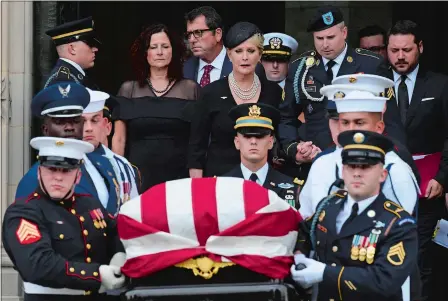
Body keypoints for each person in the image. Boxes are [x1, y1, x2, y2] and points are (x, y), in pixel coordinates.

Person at [291, 130, 418, 301]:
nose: (357, 173)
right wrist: (299, 254)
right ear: (343, 172)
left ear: (383, 174)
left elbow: (385, 280)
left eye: (366, 166)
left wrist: (324, 273)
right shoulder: (329, 205)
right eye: (351, 166)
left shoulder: (398, 223)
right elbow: (304, 231)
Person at [2, 137, 126, 301]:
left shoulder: (89, 204)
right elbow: (37, 265)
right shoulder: (24, 212)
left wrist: (119, 253)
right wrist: (98, 275)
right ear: (39, 173)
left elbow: (117, 230)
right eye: (51, 169)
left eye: (66, 171)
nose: (58, 178)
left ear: (78, 175)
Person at [299, 74, 419, 219]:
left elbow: (402, 228)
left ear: (379, 127)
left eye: (359, 123)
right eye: (344, 122)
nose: (350, 130)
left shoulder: (395, 169)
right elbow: (306, 217)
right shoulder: (322, 163)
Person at [387, 20, 448, 301]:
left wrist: (443, 178)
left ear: (420, 48)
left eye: (406, 50)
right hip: (384, 188)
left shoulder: (440, 84)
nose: (400, 56)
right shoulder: (376, 84)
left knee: (421, 258)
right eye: (394, 50)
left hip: (428, 187)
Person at [279, 5, 389, 158]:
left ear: (344, 33)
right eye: (319, 38)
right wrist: (295, 148)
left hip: (360, 156)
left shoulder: (371, 64)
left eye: (330, 37)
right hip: (314, 160)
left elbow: (390, 119)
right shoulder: (300, 67)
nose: (324, 44)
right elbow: (286, 118)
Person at [188, 22, 286, 178]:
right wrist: (199, 189)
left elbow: (282, 136)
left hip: (261, 181)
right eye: (238, 51)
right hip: (219, 180)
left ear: (260, 54)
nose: (245, 57)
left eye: (251, 51)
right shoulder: (210, 93)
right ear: (229, 54)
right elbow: (196, 148)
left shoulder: (274, 92)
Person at [112, 23, 199, 192]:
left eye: (165, 46)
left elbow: (197, 140)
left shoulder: (190, 89)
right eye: (154, 47)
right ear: (145, 53)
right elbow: (119, 139)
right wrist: (119, 176)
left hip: (179, 179)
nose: (160, 52)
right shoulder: (129, 89)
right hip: (137, 178)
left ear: (173, 51)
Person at [15, 83, 124, 216]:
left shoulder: (102, 164)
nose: (69, 127)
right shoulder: (33, 179)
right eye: (60, 122)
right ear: (45, 129)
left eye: (75, 121)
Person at [224, 103, 299, 206]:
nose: (253, 141)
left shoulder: (292, 187)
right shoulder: (222, 186)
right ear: (237, 142)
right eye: (247, 136)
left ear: (271, 142)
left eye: (260, 136)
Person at [82, 88, 140, 210]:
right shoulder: (65, 164)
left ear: (107, 127)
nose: (88, 128)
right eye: (81, 121)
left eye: (94, 120)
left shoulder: (124, 166)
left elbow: (133, 213)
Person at [183, 6, 266, 86]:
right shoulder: (184, 68)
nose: (191, 39)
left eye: (198, 32)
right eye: (189, 34)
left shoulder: (246, 65)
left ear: (218, 34)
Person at [43, 16, 100, 89]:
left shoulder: (73, 76)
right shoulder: (62, 80)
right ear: (72, 49)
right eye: (90, 44)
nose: (95, 49)